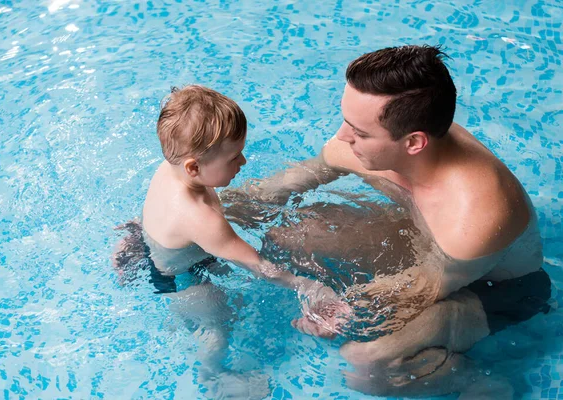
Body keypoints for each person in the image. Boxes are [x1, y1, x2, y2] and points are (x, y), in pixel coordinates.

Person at [222, 45, 550, 398]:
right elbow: (277, 189)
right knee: (291, 234)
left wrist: (334, 307)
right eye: (346, 120)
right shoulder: (376, 136)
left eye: (360, 133)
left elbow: (410, 294)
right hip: (427, 243)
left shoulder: (475, 217)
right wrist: (196, 215)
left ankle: (472, 381)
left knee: (364, 363)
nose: (343, 137)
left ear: (414, 143)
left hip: (496, 291)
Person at [112, 85, 349, 398]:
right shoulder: (200, 219)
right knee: (218, 327)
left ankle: (136, 244)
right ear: (194, 167)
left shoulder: (171, 167)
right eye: (234, 157)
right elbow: (259, 267)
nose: (245, 162)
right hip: (182, 280)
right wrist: (310, 287)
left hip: (158, 245)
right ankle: (213, 377)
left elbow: (160, 211)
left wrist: (139, 233)